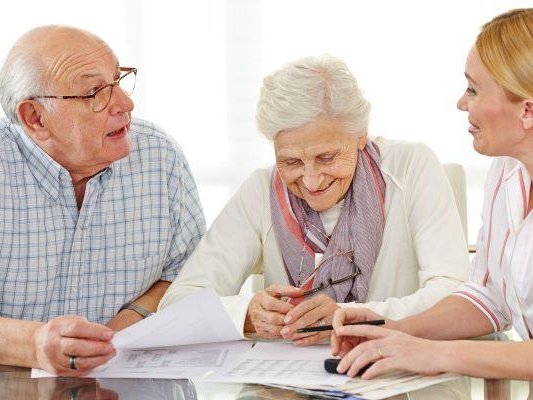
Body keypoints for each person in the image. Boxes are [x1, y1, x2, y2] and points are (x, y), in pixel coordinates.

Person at [159, 54, 470, 345]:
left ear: (360, 134)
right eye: (291, 162)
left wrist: (351, 318)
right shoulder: (259, 190)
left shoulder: (411, 166)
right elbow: (176, 305)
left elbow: (454, 294)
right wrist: (245, 313)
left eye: (326, 157)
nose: (310, 181)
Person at [329, 8, 533, 381]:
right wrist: (393, 329)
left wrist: (435, 354)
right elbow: (486, 298)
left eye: (473, 89)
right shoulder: (506, 171)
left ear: (528, 110)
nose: (461, 102)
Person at [0, 26, 205, 375]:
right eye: (94, 92)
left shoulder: (157, 155)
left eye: (118, 79)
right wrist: (34, 344)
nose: (126, 104)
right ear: (35, 118)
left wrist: (129, 322)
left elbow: (190, 273)